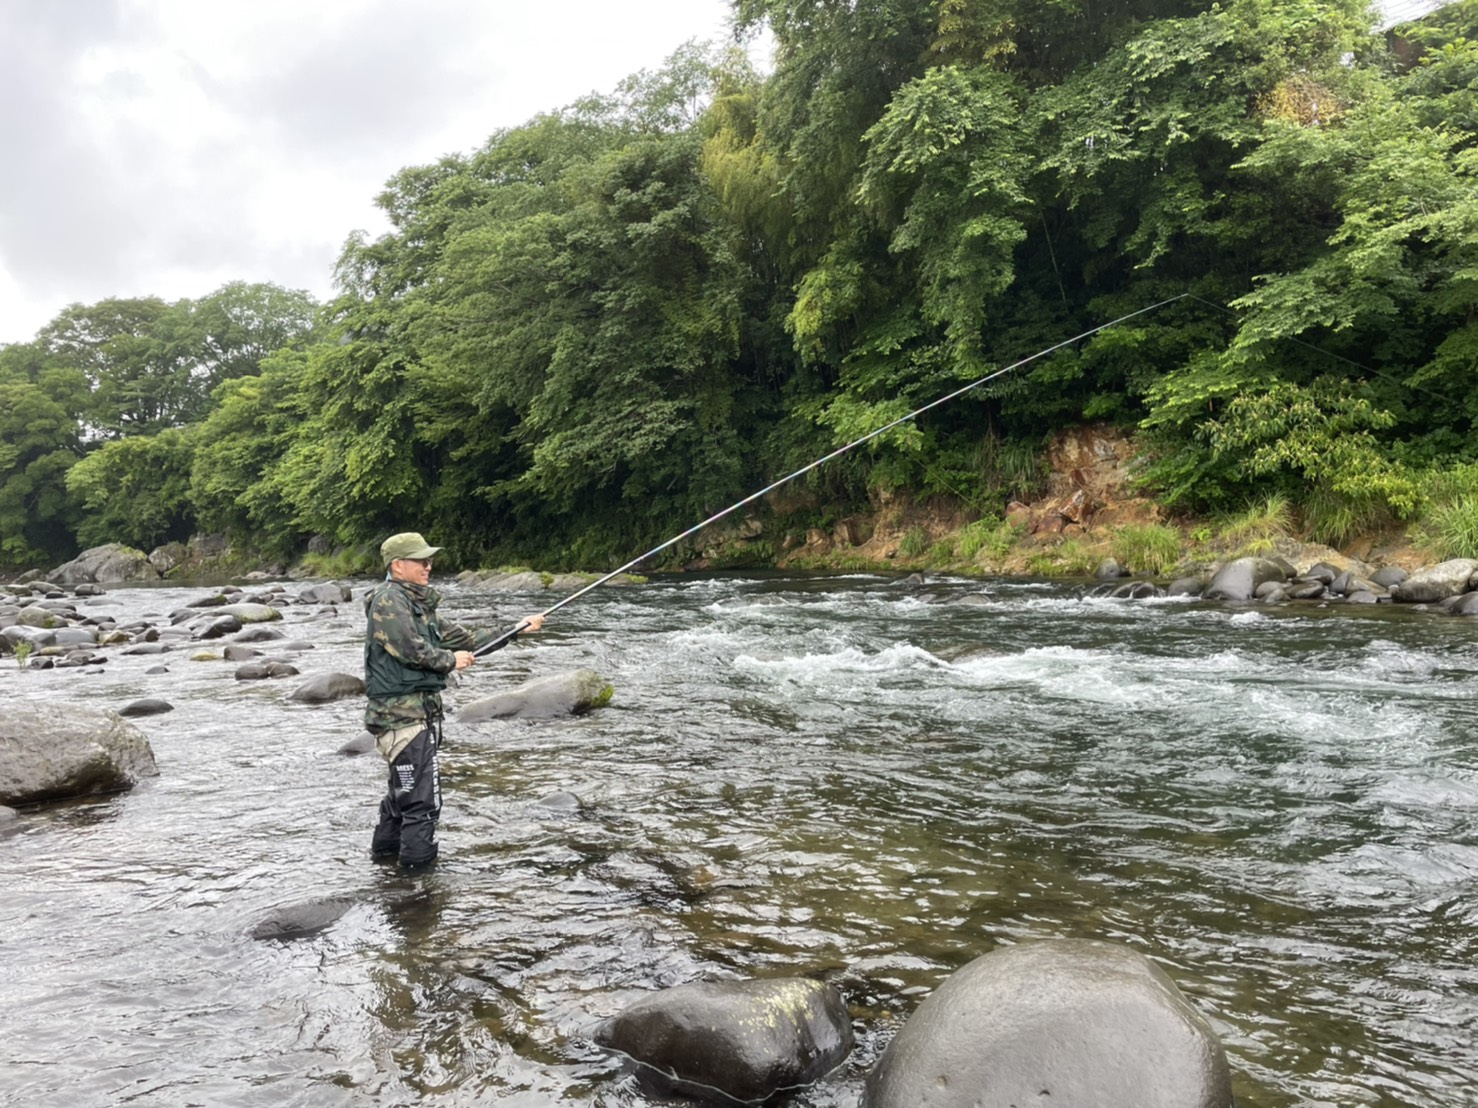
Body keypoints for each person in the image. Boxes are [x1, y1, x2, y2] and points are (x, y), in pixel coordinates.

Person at [364, 531, 545, 868]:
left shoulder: (418, 606)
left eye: (429, 560)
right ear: (398, 565)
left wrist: (516, 629)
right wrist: (450, 661)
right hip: (402, 720)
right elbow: (409, 649)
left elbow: (468, 639)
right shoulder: (389, 600)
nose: (428, 566)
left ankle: (386, 870)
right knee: (421, 805)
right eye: (421, 561)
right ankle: (419, 884)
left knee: (400, 799)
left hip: (411, 718)